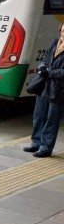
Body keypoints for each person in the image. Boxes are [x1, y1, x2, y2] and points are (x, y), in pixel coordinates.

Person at [23, 22, 64, 158]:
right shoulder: (54, 42)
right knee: (39, 115)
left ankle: (45, 147)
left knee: (51, 119)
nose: (63, 34)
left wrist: (50, 72)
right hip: (44, 85)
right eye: (63, 31)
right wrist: (42, 67)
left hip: (59, 89)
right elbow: (45, 59)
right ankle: (36, 142)